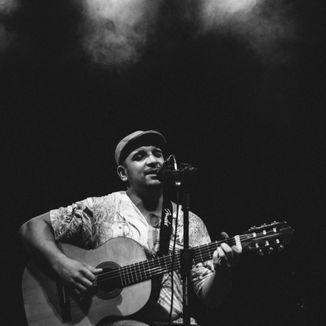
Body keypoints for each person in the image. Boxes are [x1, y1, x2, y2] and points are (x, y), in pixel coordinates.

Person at [19, 130, 242, 326]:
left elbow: (211, 297)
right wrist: (63, 266)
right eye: (140, 156)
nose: (153, 161)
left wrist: (222, 271)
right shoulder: (101, 207)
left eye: (158, 153)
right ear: (123, 173)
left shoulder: (190, 221)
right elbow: (32, 227)